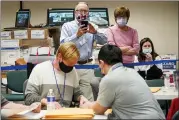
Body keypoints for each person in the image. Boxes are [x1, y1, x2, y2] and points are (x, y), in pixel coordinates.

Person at [80, 44, 165, 119]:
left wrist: (86, 105)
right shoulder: (132, 72)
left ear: (101, 63)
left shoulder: (109, 79)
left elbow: (99, 110)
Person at [60, 2, 107, 101]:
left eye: (85, 11)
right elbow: (62, 45)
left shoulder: (92, 26)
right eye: (80, 10)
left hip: (87, 66)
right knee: (67, 96)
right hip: (70, 66)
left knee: (87, 98)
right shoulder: (67, 26)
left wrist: (95, 32)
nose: (82, 13)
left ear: (88, 13)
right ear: (75, 12)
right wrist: (76, 35)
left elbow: (104, 40)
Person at [24, 42, 88, 109]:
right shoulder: (39, 69)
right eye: (68, 65)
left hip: (66, 114)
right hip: (45, 113)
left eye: (73, 65)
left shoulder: (73, 71)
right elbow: (28, 98)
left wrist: (81, 97)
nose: (70, 68)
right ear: (59, 56)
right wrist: (47, 102)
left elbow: (76, 93)